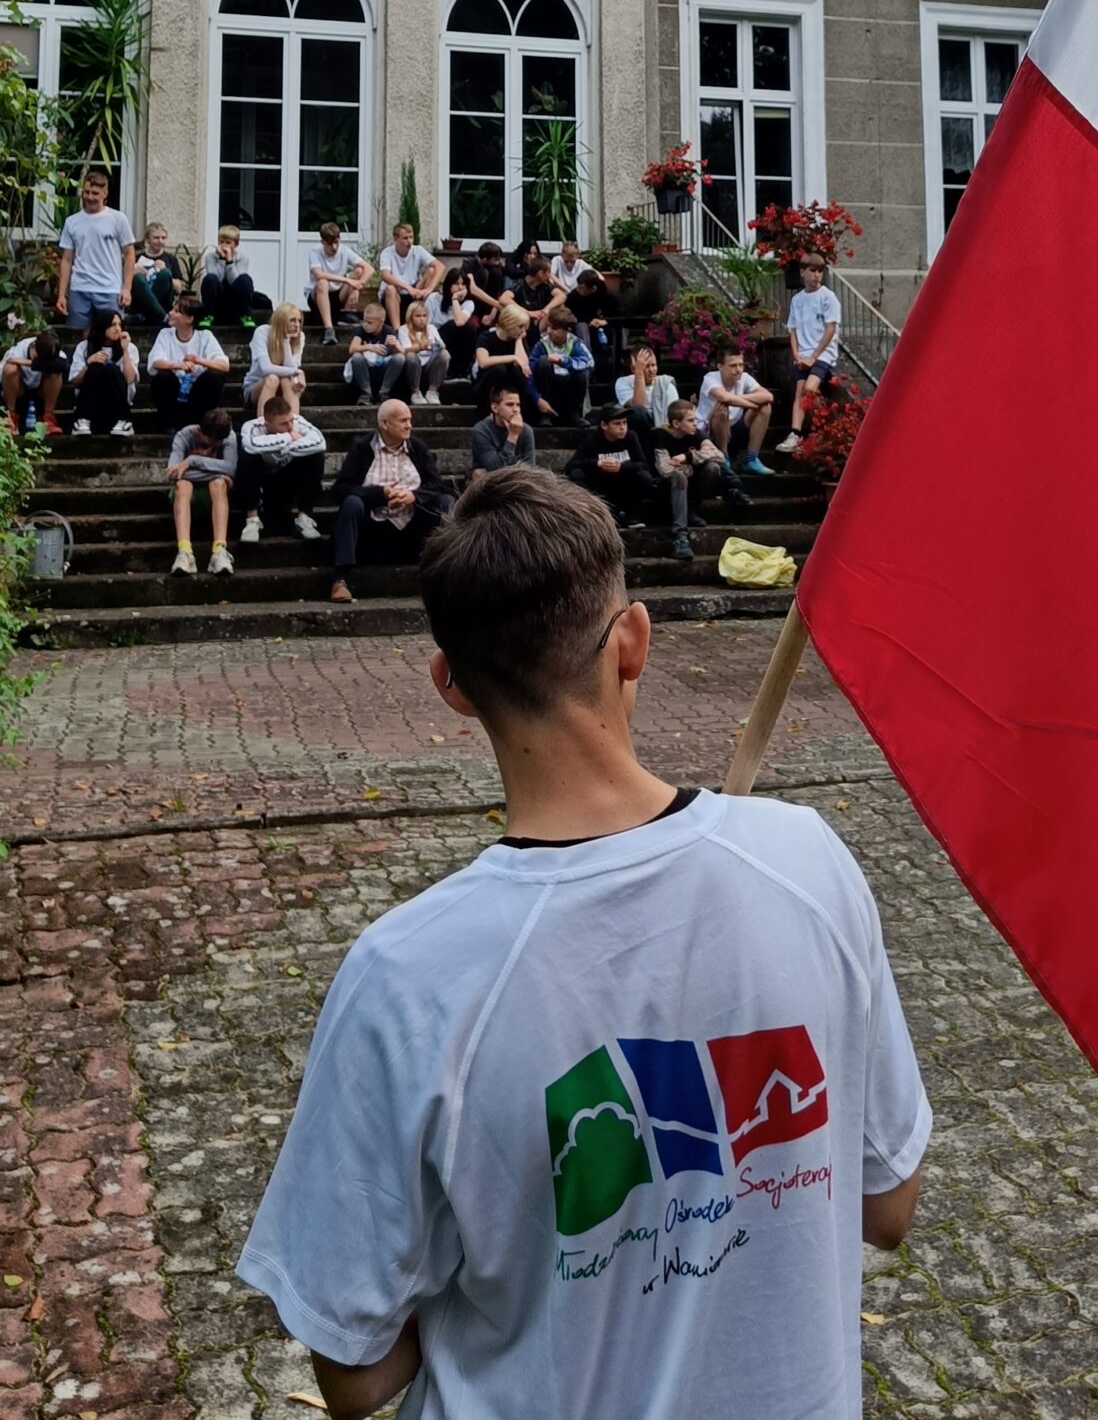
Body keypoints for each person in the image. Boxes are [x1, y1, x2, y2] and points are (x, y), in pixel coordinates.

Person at [237, 471, 929, 1420]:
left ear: (450, 686)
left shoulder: (407, 975)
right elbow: (886, 1205)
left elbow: (355, 1372)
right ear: (633, 639)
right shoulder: (806, 862)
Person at [327, 398, 449, 604]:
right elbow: (340, 490)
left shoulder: (417, 447)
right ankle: (340, 580)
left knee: (446, 502)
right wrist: (380, 495)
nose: (409, 425)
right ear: (384, 423)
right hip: (375, 529)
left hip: (413, 527)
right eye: (403, 420)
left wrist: (414, 496)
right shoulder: (362, 448)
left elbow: (436, 484)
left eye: (409, 420)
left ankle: (452, 573)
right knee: (351, 503)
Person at [652, 397, 755, 559]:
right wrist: (691, 466)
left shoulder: (696, 433)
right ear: (676, 423)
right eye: (690, 420)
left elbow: (718, 455)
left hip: (691, 487)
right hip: (667, 490)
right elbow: (664, 469)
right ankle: (680, 537)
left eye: (695, 419)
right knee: (679, 477)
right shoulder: (660, 435)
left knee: (713, 467)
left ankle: (696, 507)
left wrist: (688, 457)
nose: (695, 424)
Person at [237, 395, 327, 545]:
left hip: (288, 481)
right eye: (284, 423)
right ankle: (252, 520)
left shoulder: (298, 422)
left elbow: (320, 443)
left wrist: (282, 446)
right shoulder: (252, 426)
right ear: (268, 424)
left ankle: (304, 518)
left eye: (291, 420)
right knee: (247, 458)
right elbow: (251, 446)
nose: (290, 426)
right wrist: (289, 437)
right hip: (263, 484)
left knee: (316, 456)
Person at [55, 170, 134, 330]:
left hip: (109, 290)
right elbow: (67, 259)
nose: (90, 197)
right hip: (79, 290)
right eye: (87, 192)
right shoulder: (72, 222)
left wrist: (126, 288)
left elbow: (129, 253)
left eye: (95, 193)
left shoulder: (118, 219)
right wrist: (62, 294)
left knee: (110, 335)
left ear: (105, 193)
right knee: (78, 336)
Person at [779, 257, 843, 451]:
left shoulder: (828, 297)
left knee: (809, 388)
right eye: (812, 271)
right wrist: (797, 355)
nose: (817, 275)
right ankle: (795, 434)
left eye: (819, 271)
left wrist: (813, 356)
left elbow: (830, 329)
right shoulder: (797, 300)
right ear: (802, 272)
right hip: (803, 353)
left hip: (823, 353)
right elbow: (793, 330)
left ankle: (822, 427)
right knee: (799, 391)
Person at [166, 407, 237, 578]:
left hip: (216, 494)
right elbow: (172, 472)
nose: (214, 445)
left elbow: (231, 468)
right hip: (189, 493)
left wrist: (192, 461)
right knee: (183, 485)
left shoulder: (228, 436)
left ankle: (219, 550)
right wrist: (218, 471)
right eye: (209, 443)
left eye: (217, 443)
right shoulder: (184, 435)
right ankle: (184, 552)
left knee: (218, 483)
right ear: (199, 432)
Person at [147, 296, 230, 432]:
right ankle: (169, 423)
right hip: (174, 392)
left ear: (189, 319)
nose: (170, 313)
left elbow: (224, 365)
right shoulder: (165, 334)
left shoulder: (205, 336)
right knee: (162, 377)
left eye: (177, 311)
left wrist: (198, 360)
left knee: (214, 377)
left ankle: (203, 422)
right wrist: (177, 365)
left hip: (197, 395)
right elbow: (155, 362)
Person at [565, 402, 655, 527]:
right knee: (577, 474)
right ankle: (590, 515)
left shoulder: (631, 437)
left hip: (624, 485)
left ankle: (631, 515)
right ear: (604, 425)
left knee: (644, 477)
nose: (623, 428)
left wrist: (622, 467)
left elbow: (643, 464)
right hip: (600, 486)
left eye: (625, 423)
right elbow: (570, 466)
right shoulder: (592, 440)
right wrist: (597, 463)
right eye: (617, 424)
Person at [696, 344, 775, 476]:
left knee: (765, 406)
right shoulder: (710, 378)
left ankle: (751, 459)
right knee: (722, 409)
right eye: (733, 365)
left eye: (741, 365)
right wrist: (752, 405)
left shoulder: (744, 377)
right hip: (711, 433)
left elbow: (768, 396)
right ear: (720, 366)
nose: (738, 369)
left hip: (735, 428)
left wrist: (737, 399)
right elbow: (724, 397)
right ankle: (724, 458)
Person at [68, 309, 139, 437]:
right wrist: (88, 363)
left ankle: (124, 420)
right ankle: (82, 419)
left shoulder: (130, 347)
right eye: (113, 325)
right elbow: (75, 382)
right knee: (96, 367)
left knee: (111, 368)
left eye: (119, 325)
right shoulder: (84, 347)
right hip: (93, 402)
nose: (117, 329)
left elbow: (129, 379)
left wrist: (125, 350)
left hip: (117, 403)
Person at [473, 304, 545, 416]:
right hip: (486, 387)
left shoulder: (519, 338)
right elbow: (483, 362)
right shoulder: (486, 336)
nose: (523, 330)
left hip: (510, 386)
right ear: (508, 324)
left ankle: (520, 413)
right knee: (499, 369)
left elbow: (524, 367)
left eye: (525, 327)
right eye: (520, 326)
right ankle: (489, 412)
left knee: (519, 373)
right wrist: (512, 357)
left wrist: (519, 340)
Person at [308, 224, 373, 344]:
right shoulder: (315, 252)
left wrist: (358, 287)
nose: (334, 247)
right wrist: (347, 280)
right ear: (322, 242)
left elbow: (369, 268)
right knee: (322, 283)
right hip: (318, 297)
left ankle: (346, 313)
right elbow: (318, 274)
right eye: (329, 244)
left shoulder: (344, 250)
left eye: (336, 242)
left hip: (338, 296)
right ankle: (329, 329)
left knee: (359, 271)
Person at [529, 311, 594, 423]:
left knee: (582, 373)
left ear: (567, 330)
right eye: (549, 326)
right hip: (548, 388)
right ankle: (545, 415)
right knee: (543, 361)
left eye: (554, 328)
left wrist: (562, 361)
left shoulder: (576, 343)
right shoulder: (541, 344)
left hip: (569, 387)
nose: (549, 331)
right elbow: (530, 372)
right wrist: (537, 398)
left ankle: (574, 414)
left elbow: (590, 362)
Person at [244, 304, 307, 419]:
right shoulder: (262, 332)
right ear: (281, 320)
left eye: (299, 321)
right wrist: (297, 372)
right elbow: (266, 368)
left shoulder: (300, 336)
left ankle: (295, 422)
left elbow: (291, 367)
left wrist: (286, 341)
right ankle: (261, 423)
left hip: (285, 387)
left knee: (286, 380)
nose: (297, 325)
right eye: (292, 320)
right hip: (257, 386)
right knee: (273, 378)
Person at [615, 342, 680, 451]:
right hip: (638, 431)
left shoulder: (666, 384)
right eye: (646, 366)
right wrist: (639, 374)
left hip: (663, 431)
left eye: (653, 365)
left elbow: (673, 416)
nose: (652, 370)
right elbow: (638, 406)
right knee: (639, 412)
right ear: (633, 368)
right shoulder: (623, 382)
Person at [378, 225, 444, 332]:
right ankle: (397, 330)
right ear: (395, 239)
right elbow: (385, 275)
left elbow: (440, 266)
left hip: (414, 291)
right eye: (405, 238)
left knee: (432, 270)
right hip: (395, 294)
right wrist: (408, 288)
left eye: (411, 237)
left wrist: (429, 289)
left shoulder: (418, 250)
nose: (409, 241)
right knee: (390, 289)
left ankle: (424, 325)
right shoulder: (387, 252)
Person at [2, 329, 66, 436]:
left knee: (55, 372)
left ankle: (48, 418)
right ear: (33, 346)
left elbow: (63, 366)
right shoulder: (17, 350)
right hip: (19, 393)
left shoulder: (53, 349)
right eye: (39, 359)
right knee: (10, 369)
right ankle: (11, 417)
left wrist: (31, 363)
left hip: (42, 393)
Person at [343, 303, 406, 409]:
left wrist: (395, 344)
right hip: (365, 367)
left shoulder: (388, 331)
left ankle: (384, 392)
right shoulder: (361, 330)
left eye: (369, 322)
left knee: (399, 358)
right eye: (364, 321)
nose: (365, 325)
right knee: (356, 357)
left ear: (381, 322)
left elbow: (402, 352)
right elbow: (352, 349)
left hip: (382, 366)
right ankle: (366, 393)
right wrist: (369, 347)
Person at [470, 384, 536, 482]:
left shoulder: (526, 430)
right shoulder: (481, 430)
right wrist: (513, 436)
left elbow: (530, 469)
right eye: (510, 404)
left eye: (518, 405)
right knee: (480, 474)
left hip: (518, 482)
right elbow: (495, 468)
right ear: (495, 408)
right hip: (489, 481)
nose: (515, 410)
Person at [199, 226, 258, 328]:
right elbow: (216, 278)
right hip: (218, 298)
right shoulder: (210, 257)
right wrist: (222, 259)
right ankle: (208, 315)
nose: (224, 245)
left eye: (228, 242)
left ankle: (246, 316)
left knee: (245, 279)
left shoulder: (243, 258)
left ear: (236, 244)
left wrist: (230, 261)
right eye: (221, 242)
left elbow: (235, 281)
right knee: (210, 279)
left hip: (234, 299)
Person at [393, 300, 449, 406]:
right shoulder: (403, 329)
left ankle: (432, 391)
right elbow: (405, 349)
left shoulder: (431, 328)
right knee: (410, 356)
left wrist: (437, 346)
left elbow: (442, 345)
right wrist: (420, 347)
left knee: (444, 354)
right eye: (418, 316)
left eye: (424, 316)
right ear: (410, 316)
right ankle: (415, 392)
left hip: (430, 363)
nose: (422, 319)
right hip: (413, 365)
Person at [428, 269, 479, 378]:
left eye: (463, 284)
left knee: (469, 328)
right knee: (451, 325)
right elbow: (427, 325)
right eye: (456, 283)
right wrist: (455, 298)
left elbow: (460, 322)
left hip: (456, 343)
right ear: (448, 284)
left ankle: (462, 370)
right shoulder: (434, 298)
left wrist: (455, 300)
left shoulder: (468, 303)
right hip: (436, 338)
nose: (460, 287)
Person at [130, 221, 179, 329]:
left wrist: (165, 271)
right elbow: (124, 283)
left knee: (165, 274)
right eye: (156, 238)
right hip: (139, 302)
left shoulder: (171, 259)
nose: (160, 241)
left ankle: (145, 315)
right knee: (138, 278)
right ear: (148, 239)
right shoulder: (137, 257)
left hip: (163, 303)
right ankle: (163, 316)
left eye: (163, 238)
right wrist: (133, 272)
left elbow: (178, 289)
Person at [458, 241, 515, 323]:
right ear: (485, 259)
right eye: (496, 260)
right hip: (472, 303)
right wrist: (497, 305)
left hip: (490, 307)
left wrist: (492, 314)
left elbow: (499, 291)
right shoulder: (469, 265)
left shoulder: (496, 268)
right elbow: (473, 289)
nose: (498, 262)